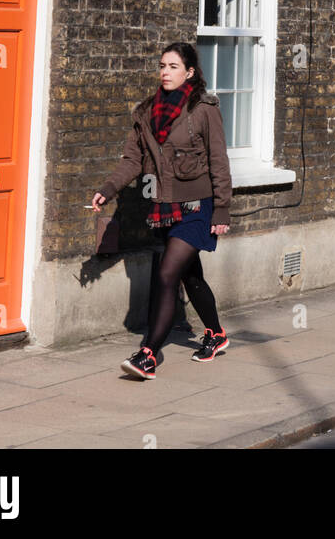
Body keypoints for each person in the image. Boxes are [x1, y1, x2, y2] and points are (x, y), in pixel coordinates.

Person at [91, 42, 232, 379]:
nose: (165, 72)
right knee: (189, 273)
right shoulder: (146, 113)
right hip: (163, 206)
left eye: (172, 66)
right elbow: (133, 160)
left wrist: (222, 210)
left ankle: (149, 355)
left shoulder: (203, 108)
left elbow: (218, 161)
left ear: (190, 72)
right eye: (162, 66)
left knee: (167, 273)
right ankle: (216, 334)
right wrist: (107, 189)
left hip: (198, 206)